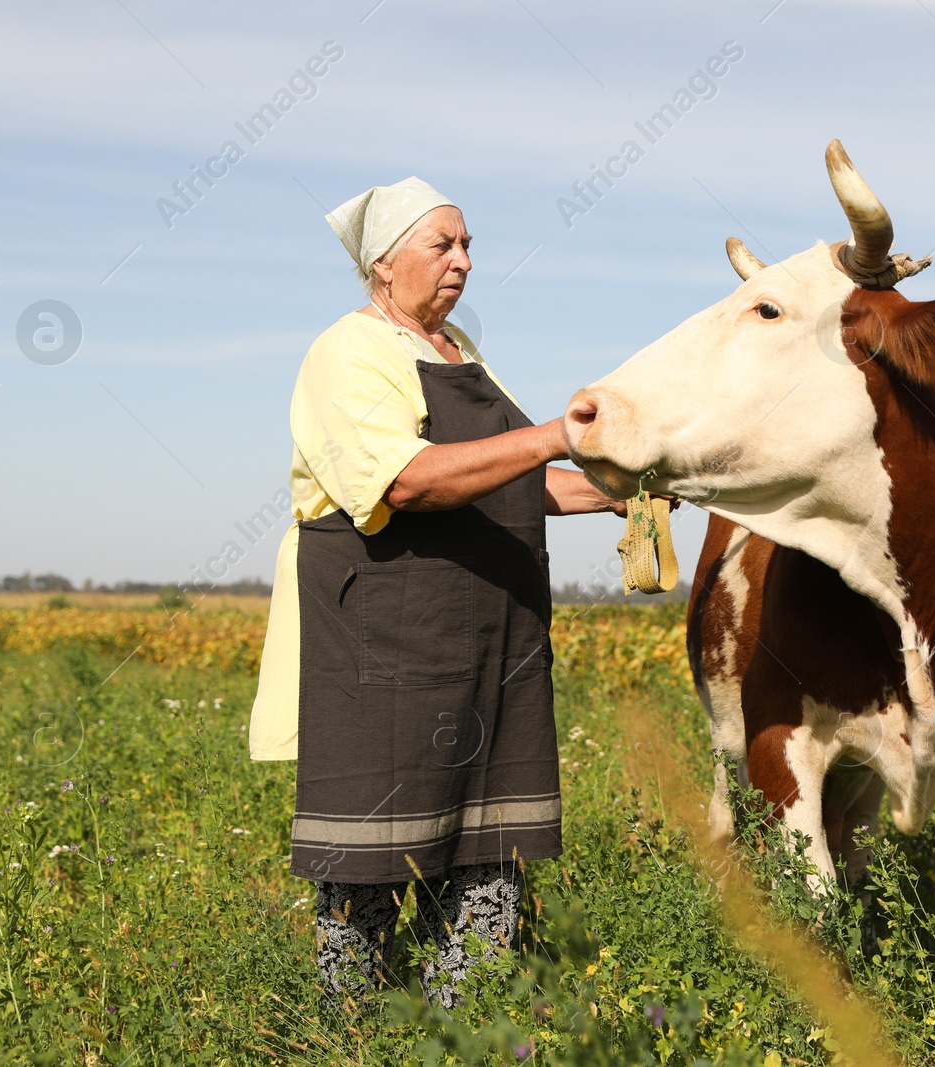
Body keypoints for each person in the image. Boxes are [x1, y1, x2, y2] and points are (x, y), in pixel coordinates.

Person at [247, 177, 625, 1009]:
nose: (462, 261)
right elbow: (408, 481)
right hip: (388, 638)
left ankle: (467, 1024)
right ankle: (355, 1030)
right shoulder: (348, 352)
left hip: (491, 642)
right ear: (383, 265)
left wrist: (622, 489)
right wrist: (558, 433)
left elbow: (514, 480)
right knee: (374, 850)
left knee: (489, 841)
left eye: (467, 246)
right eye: (442, 245)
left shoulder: (460, 352)